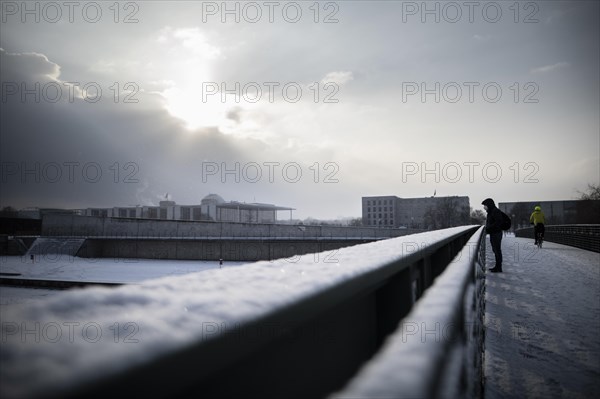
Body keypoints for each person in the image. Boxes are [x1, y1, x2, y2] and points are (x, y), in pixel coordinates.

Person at [482, 198, 504, 273]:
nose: (484, 208)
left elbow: (499, 222)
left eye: (485, 206)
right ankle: (497, 266)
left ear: (489, 205)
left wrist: (489, 228)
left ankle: (499, 267)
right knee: (495, 250)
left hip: (496, 233)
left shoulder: (495, 211)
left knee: (497, 250)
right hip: (493, 233)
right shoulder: (491, 211)